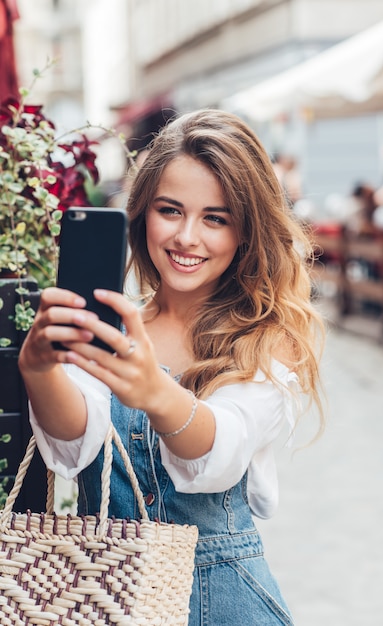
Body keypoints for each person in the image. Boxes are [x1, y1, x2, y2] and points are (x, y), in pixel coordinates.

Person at [18, 109, 324, 626]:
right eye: (170, 210)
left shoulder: (266, 338)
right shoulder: (116, 324)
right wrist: (40, 369)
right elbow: (74, 445)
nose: (187, 237)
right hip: (103, 593)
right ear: (142, 214)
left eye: (215, 218)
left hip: (223, 602)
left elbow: (223, 448)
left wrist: (153, 391)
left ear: (247, 230)